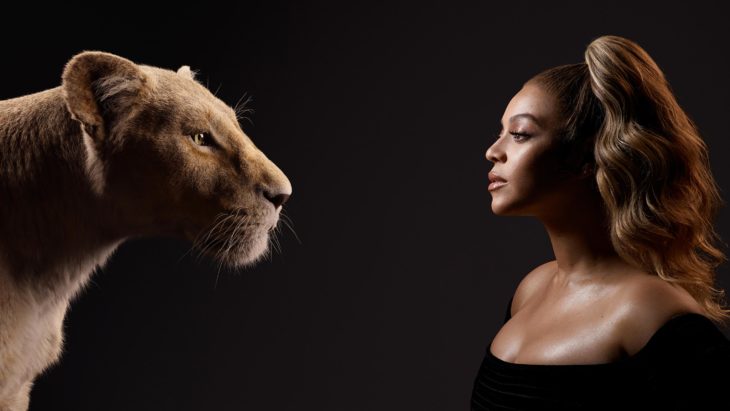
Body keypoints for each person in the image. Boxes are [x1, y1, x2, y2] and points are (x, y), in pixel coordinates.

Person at [471, 35, 730, 410]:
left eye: (520, 134)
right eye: (500, 133)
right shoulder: (531, 290)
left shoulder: (650, 311)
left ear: (586, 159)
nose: (494, 151)